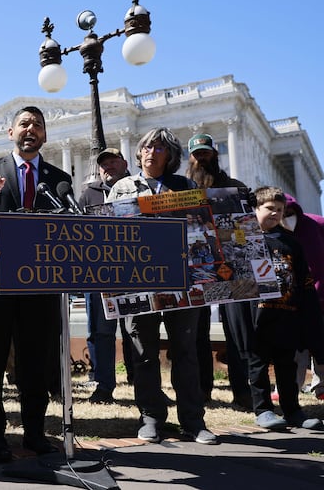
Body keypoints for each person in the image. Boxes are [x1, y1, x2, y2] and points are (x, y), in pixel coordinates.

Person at [0, 106, 70, 462]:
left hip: (40, 283)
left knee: (36, 362)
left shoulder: (59, 178)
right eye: (24, 124)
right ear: (11, 133)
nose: (30, 129)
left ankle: (35, 434)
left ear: (44, 136)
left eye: (37, 125)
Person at [106, 127, 218, 445]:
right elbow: (108, 233)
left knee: (186, 352)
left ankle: (194, 421)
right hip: (137, 285)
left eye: (159, 148)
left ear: (169, 155)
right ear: (139, 152)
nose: (151, 152)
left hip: (181, 284)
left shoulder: (183, 186)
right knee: (143, 353)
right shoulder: (123, 187)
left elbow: (201, 231)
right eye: (147, 147)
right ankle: (151, 417)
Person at [228, 187, 324, 431]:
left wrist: (307, 313)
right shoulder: (241, 239)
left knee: (287, 365)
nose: (275, 214)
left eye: (279, 210)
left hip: (287, 314)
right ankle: (263, 410)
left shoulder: (291, 242)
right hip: (257, 316)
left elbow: (304, 279)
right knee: (258, 365)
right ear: (255, 209)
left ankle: (293, 410)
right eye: (269, 208)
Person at [185, 132, 251, 410]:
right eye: (197, 153)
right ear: (190, 158)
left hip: (232, 269)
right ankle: (203, 390)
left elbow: (247, 228)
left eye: (206, 152)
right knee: (197, 332)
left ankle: (242, 391)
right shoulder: (183, 189)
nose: (202, 157)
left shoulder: (235, 187)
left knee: (236, 331)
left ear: (214, 154)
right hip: (197, 269)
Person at [77, 147, 134, 403]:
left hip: (135, 272)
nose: (108, 167)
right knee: (101, 332)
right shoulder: (89, 193)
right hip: (98, 273)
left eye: (113, 162)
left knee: (139, 331)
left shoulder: (138, 187)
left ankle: (144, 383)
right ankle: (104, 386)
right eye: (103, 164)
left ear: (124, 163)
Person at [282, 194, 324, 400]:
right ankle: (290, 388)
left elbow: (317, 264)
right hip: (291, 296)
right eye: (283, 213)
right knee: (295, 347)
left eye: (290, 213)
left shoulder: (314, 225)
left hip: (319, 292)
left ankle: (322, 385)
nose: (286, 217)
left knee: (320, 342)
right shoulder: (275, 231)